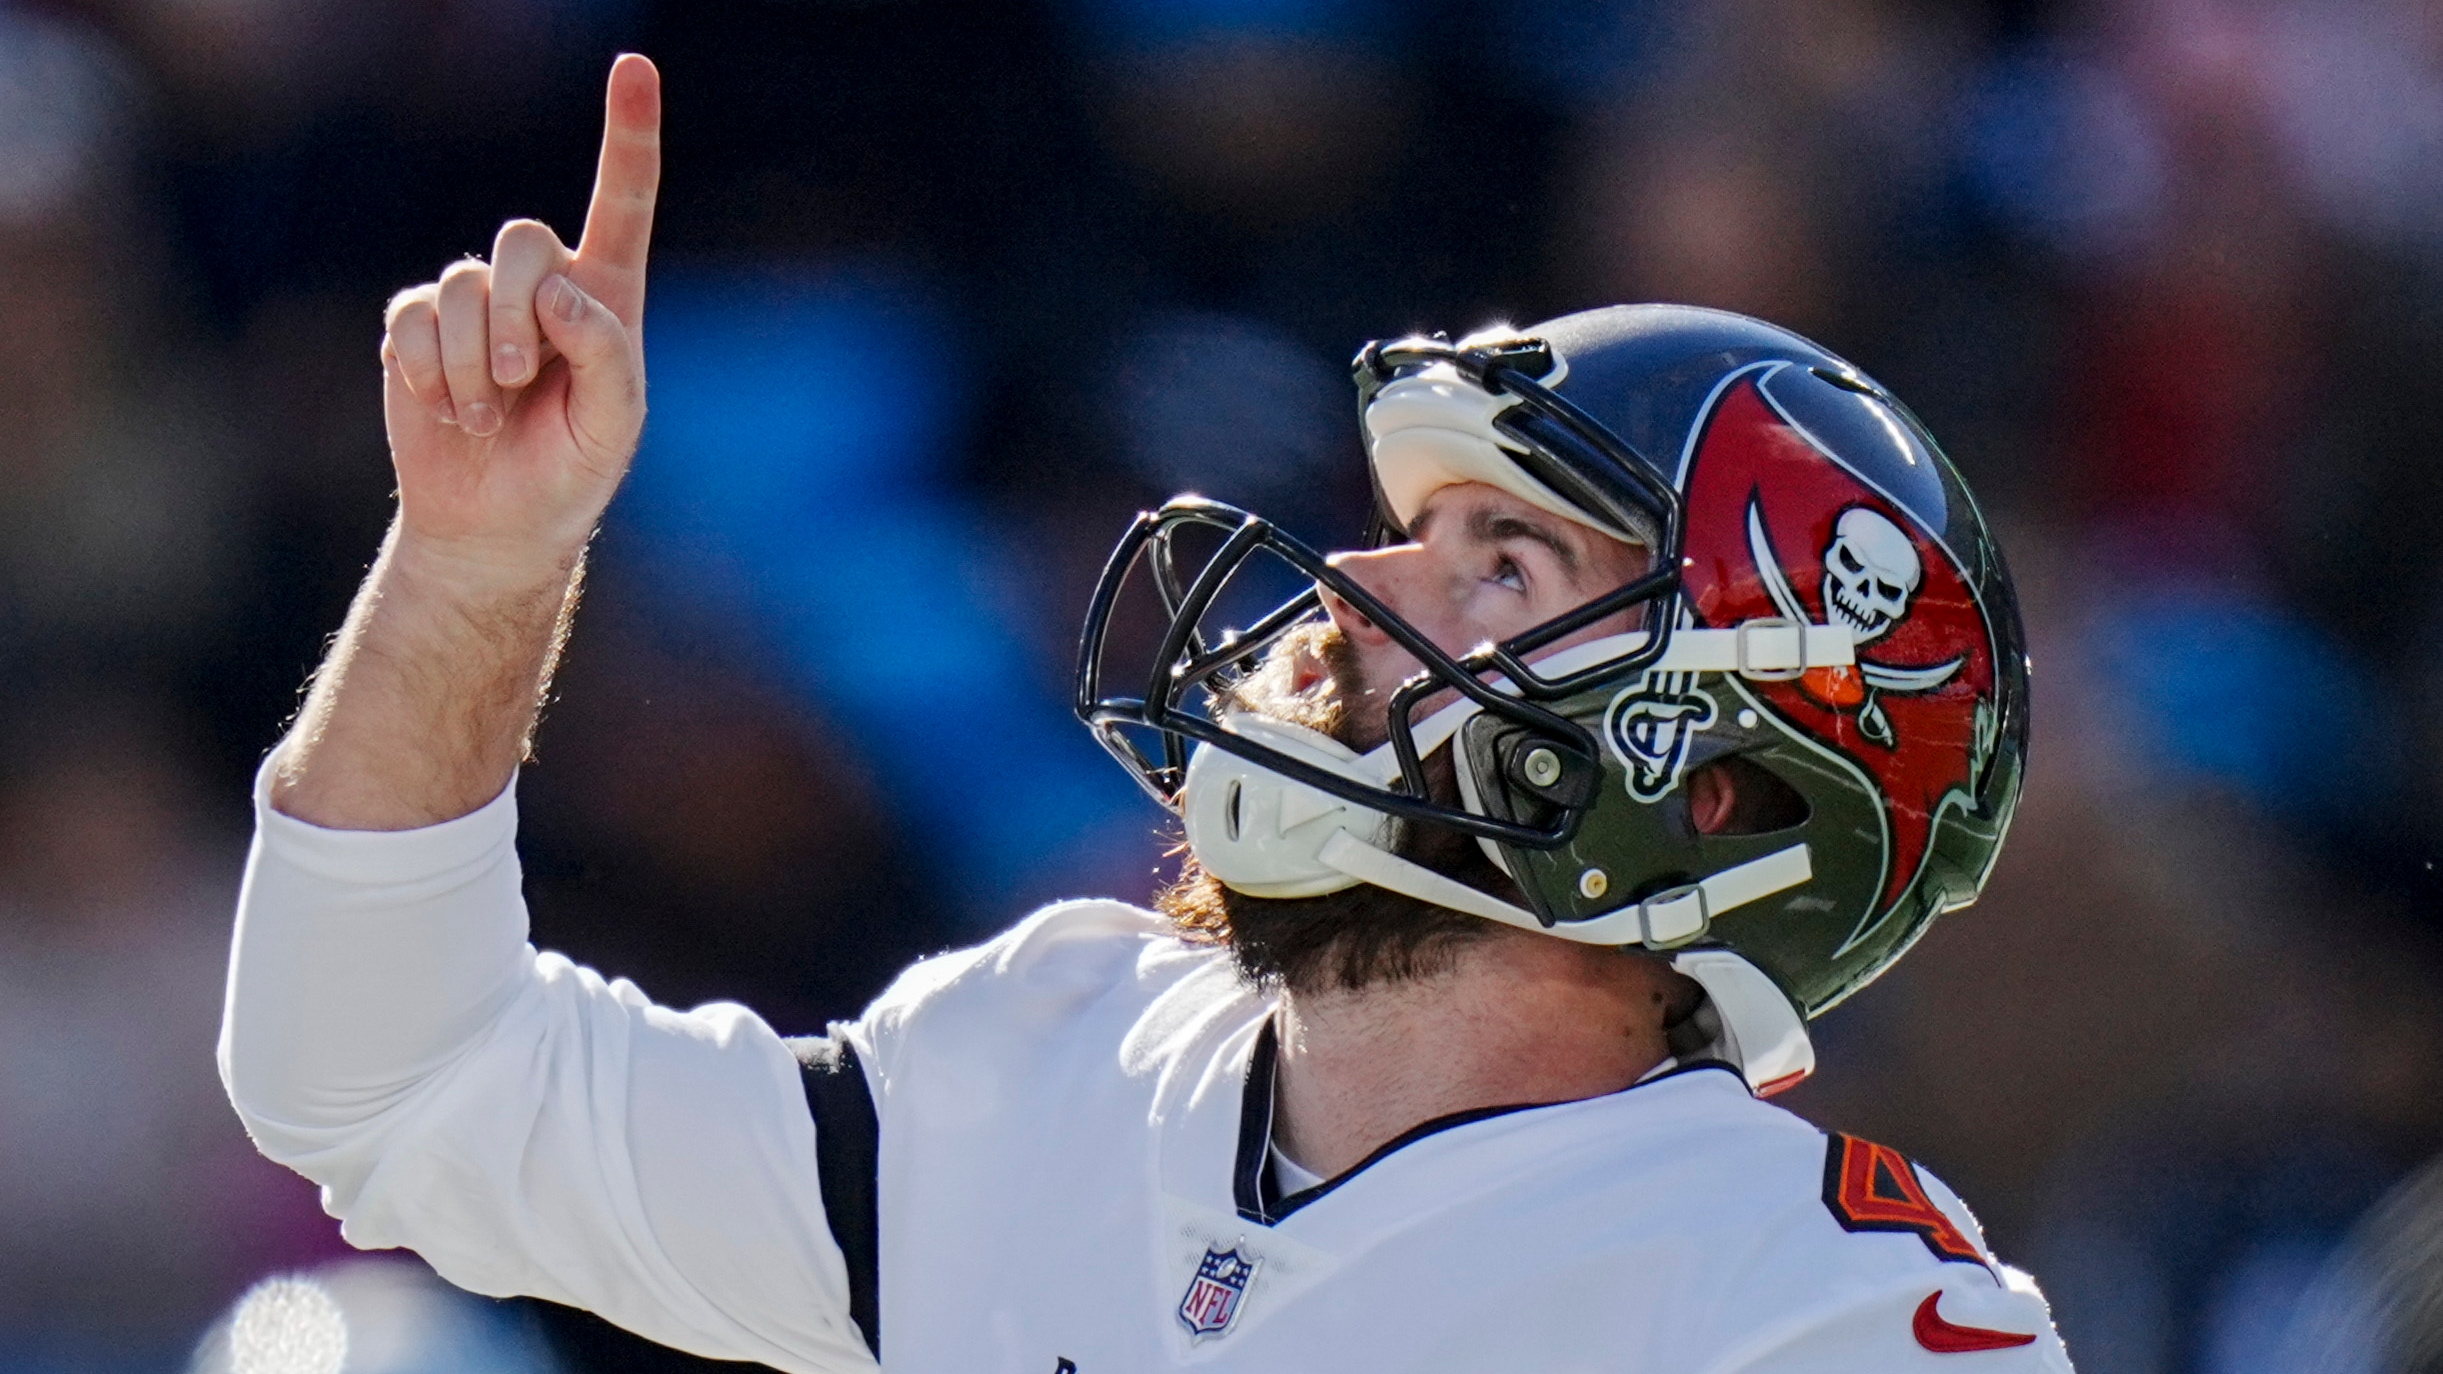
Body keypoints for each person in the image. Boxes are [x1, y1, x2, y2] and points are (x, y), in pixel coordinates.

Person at [220, 54, 2070, 1372]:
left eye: (1501, 566)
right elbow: (382, 1078)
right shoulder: (1049, 1062)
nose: (1355, 592)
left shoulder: (1813, 1308)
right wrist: (477, 570)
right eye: (1415, 534)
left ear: (1722, 790)